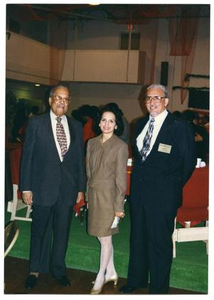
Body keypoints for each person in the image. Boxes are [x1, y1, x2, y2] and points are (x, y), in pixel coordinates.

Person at [119, 84, 196, 294]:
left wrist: (171, 187)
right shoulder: (140, 123)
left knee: (160, 243)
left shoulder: (179, 126)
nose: (152, 102)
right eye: (148, 98)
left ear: (166, 101)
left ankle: (159, 290)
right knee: (138, 238)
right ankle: (136, 280)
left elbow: (188, 163)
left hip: (164, 196)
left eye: (157, 98)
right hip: (140, 194)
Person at [20, 85, 86, 289]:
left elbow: (78, 161)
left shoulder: (76, 126)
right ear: (50, 100)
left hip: (67, 189)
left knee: (62, 231)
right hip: (41, 187)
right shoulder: (36, 123)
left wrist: (80, 188)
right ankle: (34, 270)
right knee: (39, 231)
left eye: (66, 99)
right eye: (58, 98)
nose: (62, 102)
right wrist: (26, 187)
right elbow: (27, 157)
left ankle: (58, 269)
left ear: (69, 102)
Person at [86, 105, 129, 294]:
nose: (107, 124)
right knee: (100, 235)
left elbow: (121, 179)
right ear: (99, 122)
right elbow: (89, 173)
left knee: (105, 238)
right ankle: (111, 272)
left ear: (116, 125)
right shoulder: (91, 143)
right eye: (104, 120)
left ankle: (100, 276)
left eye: (111, 121)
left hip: (110, 198)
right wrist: (87, 196)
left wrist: (119, 206)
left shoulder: (120, 146)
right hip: (94, 195)